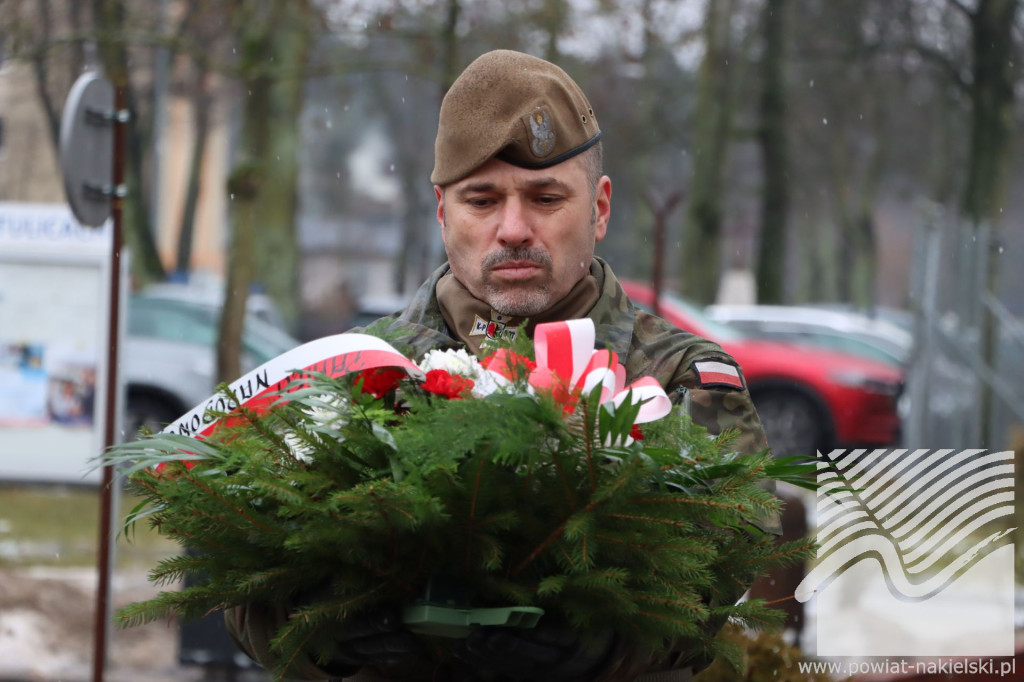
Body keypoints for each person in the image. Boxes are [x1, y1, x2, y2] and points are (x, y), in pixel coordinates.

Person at [226, 49, 780, 682]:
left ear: (599, 209)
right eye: (482, 200)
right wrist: (318, 629)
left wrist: (605, 646)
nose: (514, 229)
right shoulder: (352, 375)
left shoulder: (681, 377)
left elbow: (727, 563)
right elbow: (239, 577)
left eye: (545, 197)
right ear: (442, 213)